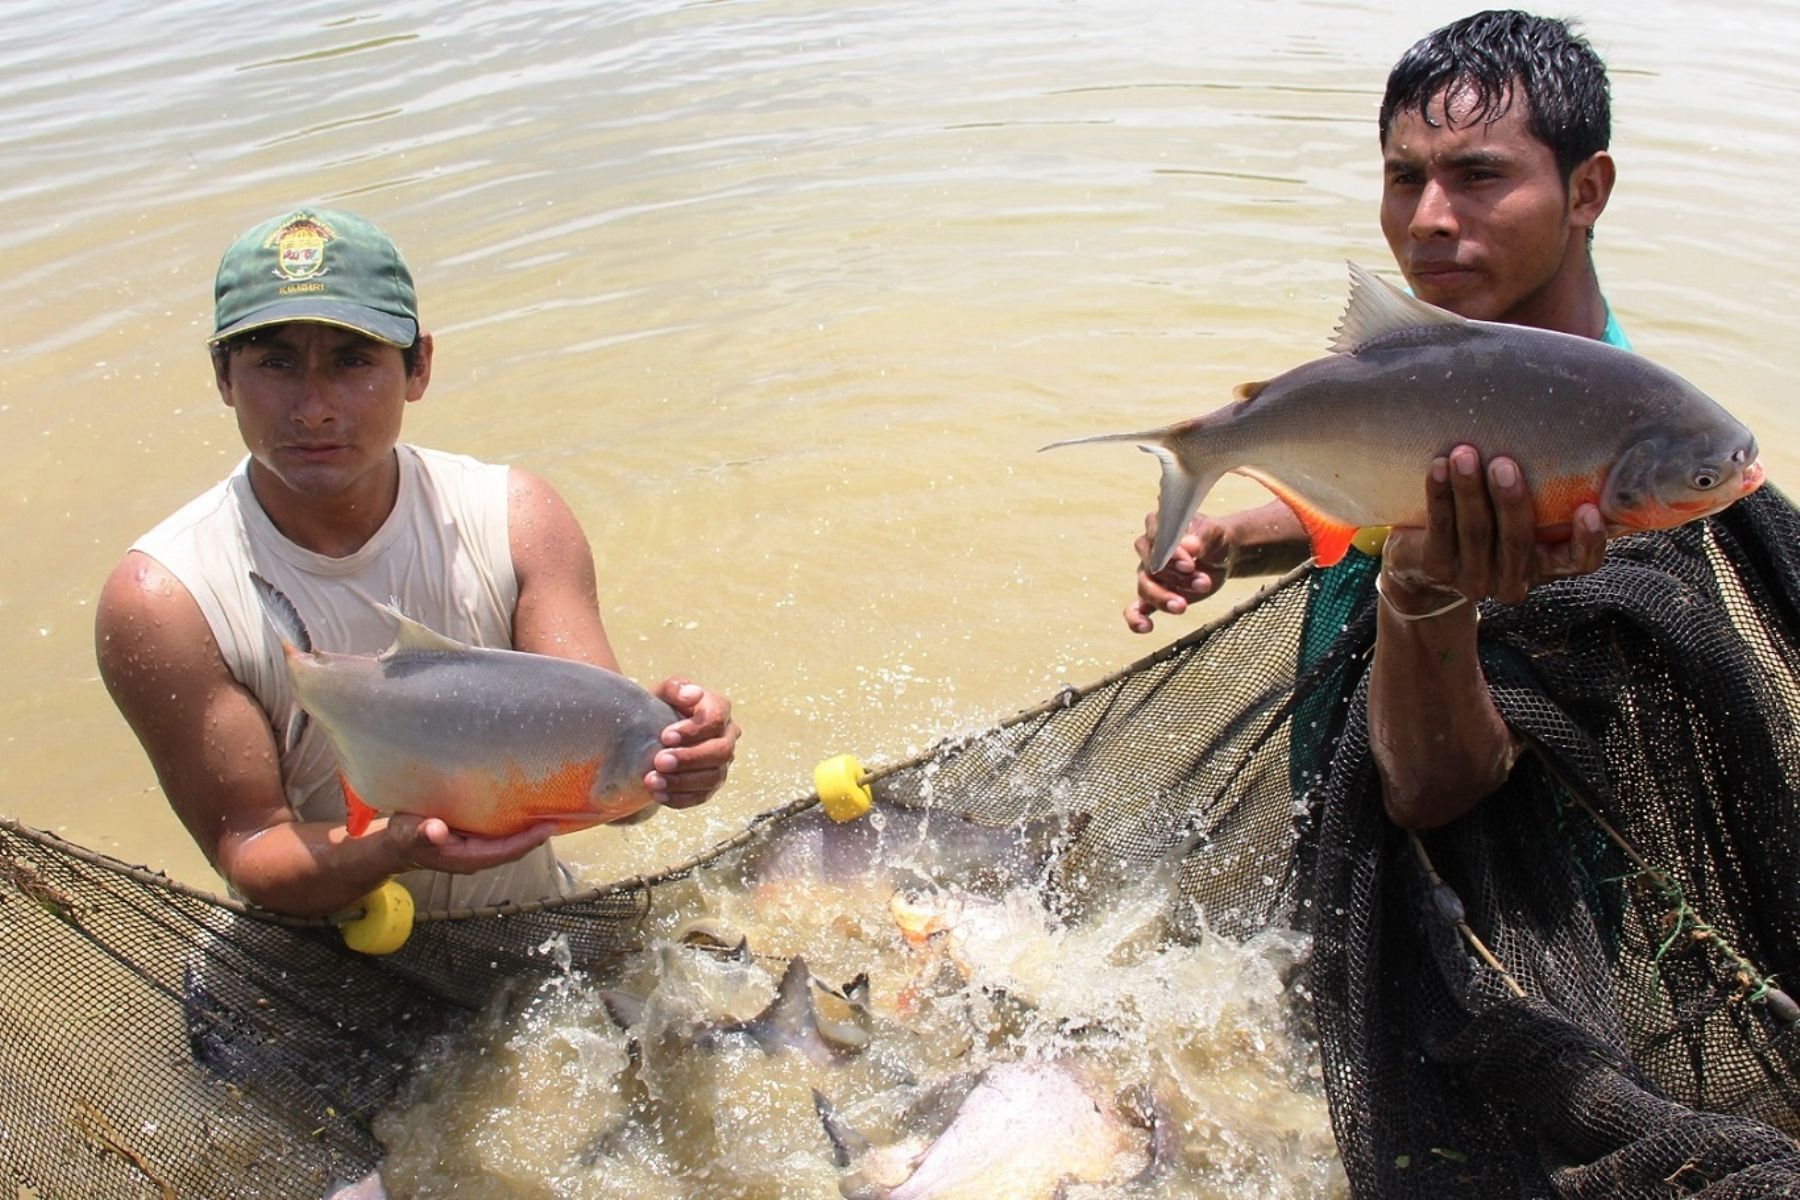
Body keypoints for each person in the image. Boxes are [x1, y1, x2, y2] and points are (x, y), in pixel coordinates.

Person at [95, 207, 741, 918]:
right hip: (316, 965)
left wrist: (680, 763)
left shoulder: (518, 519)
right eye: (274, 362)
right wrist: (392, 849)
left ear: (419, 366)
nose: (313, 408)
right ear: (223, 374)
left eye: (353, 360)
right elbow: (250, 847)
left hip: (533, 926)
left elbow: (614, 795)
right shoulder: (164, 598)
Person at [1121, 10, 1621, 830]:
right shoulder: (1463, 377)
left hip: (1483, 914)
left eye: (1479, 176)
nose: (1428, 218)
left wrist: (1425, 587)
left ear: (1586, 191)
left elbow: (1437, 795)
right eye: (1403, 179)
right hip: (1332, 826)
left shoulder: (1622, 470)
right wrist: (1234, 539)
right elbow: (1393, 495)